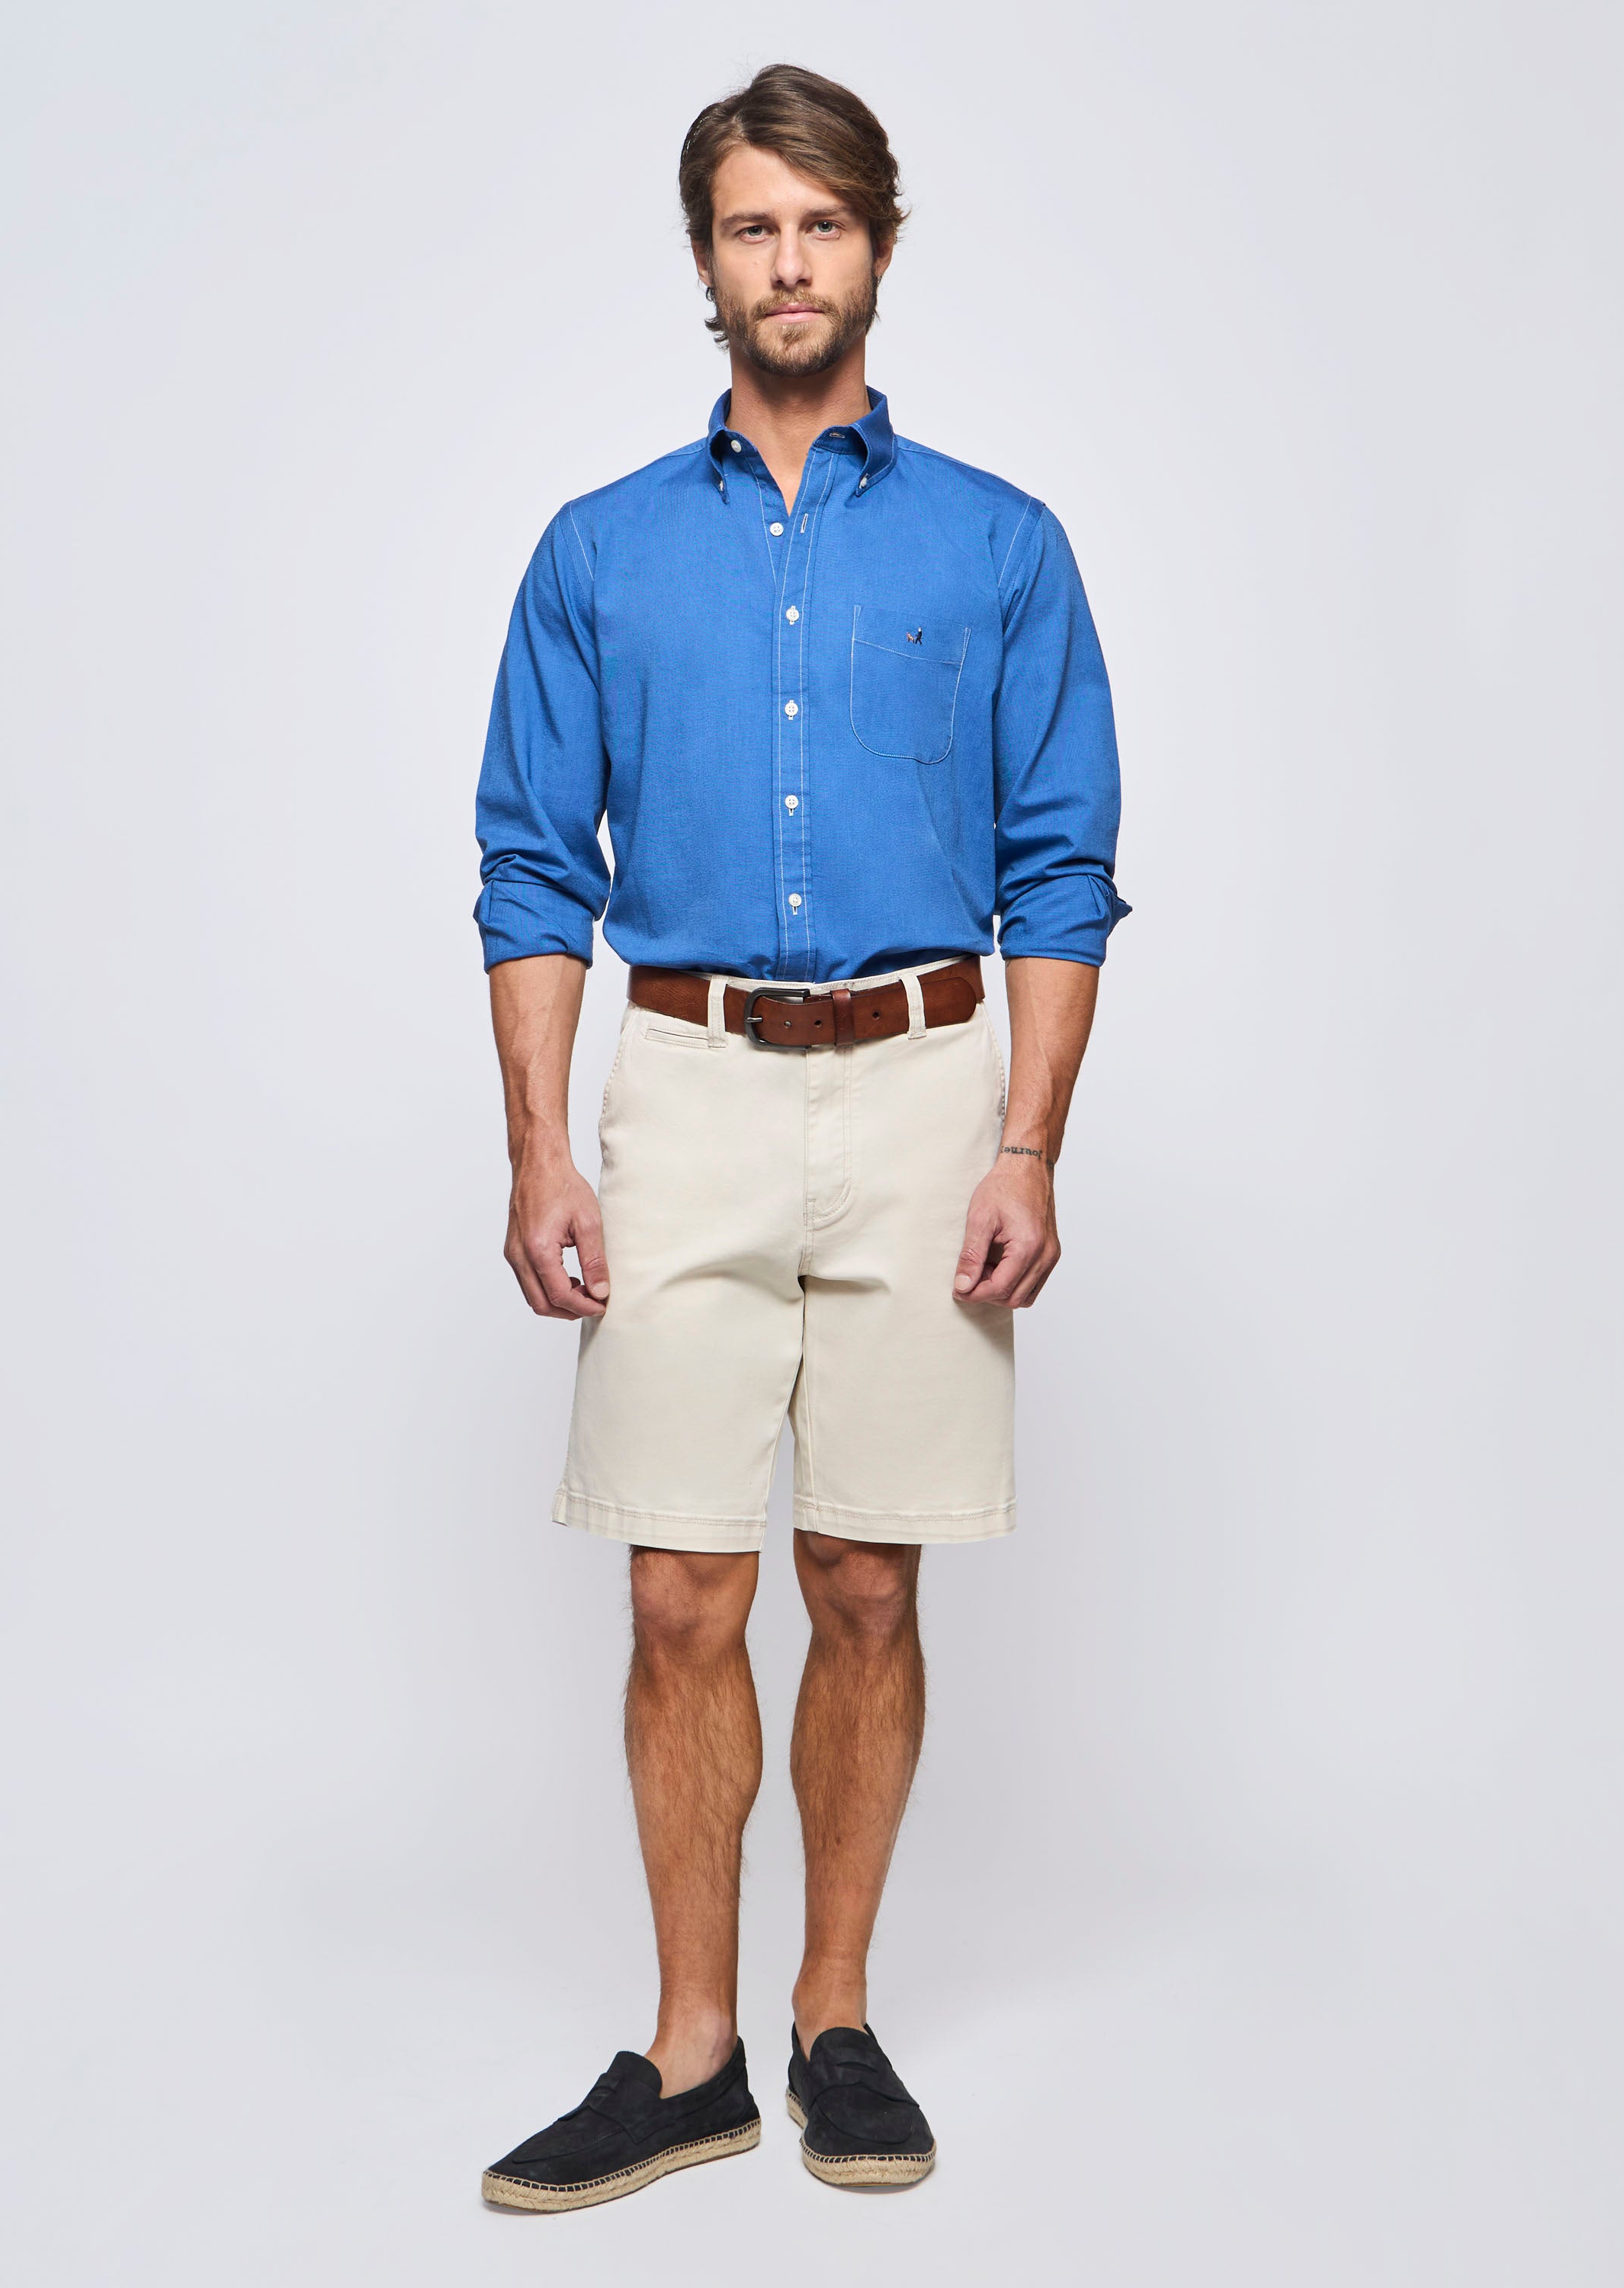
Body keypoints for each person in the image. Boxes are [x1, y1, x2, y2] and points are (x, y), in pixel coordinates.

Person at [473, 63, 1128, 2212]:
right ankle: (692, 2057)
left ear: (878, 247)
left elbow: (1060, 864)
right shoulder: (596, 551)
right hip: (684, 1087)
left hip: (931, 1086)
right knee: (680, 1591)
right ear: (705, 258)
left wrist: (1030, 1144)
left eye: (822, 223)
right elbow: (529, 870)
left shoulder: (1002, 545)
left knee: (863, 1576)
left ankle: (834, 2020)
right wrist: (539, 1151)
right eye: (753, 226)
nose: (788, 262)